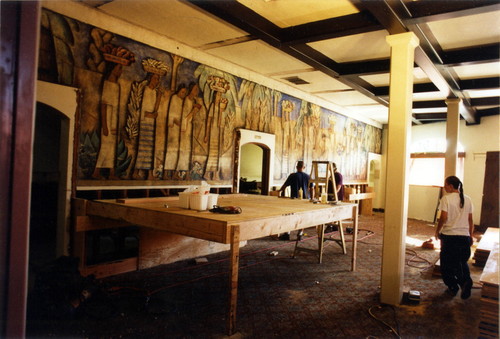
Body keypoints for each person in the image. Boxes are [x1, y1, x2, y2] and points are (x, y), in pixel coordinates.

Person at [435, 175, 474, 299]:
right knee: (461, 262)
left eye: (445, 185)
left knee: (446, 265)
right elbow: (470, 220)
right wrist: (471, 235)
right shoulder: (468, 199)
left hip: (450, 237)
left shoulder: (446, 199)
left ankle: (453, 286)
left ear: (451, 186)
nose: (444, 187)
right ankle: (466, 281)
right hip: (464, 237)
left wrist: (437, 230)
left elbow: (443, 217)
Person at [277, 160, 312, 240]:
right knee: (303, 217)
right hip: (305, 200)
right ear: (304, 167)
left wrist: (279, 192)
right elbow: (312, 188)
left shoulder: (292, 175)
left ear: (296, 167)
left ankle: (287, 233)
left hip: (294, 199)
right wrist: (312, 199)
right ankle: (300, 234)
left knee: (290, 216)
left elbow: (284, 186)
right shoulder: (308, 176)